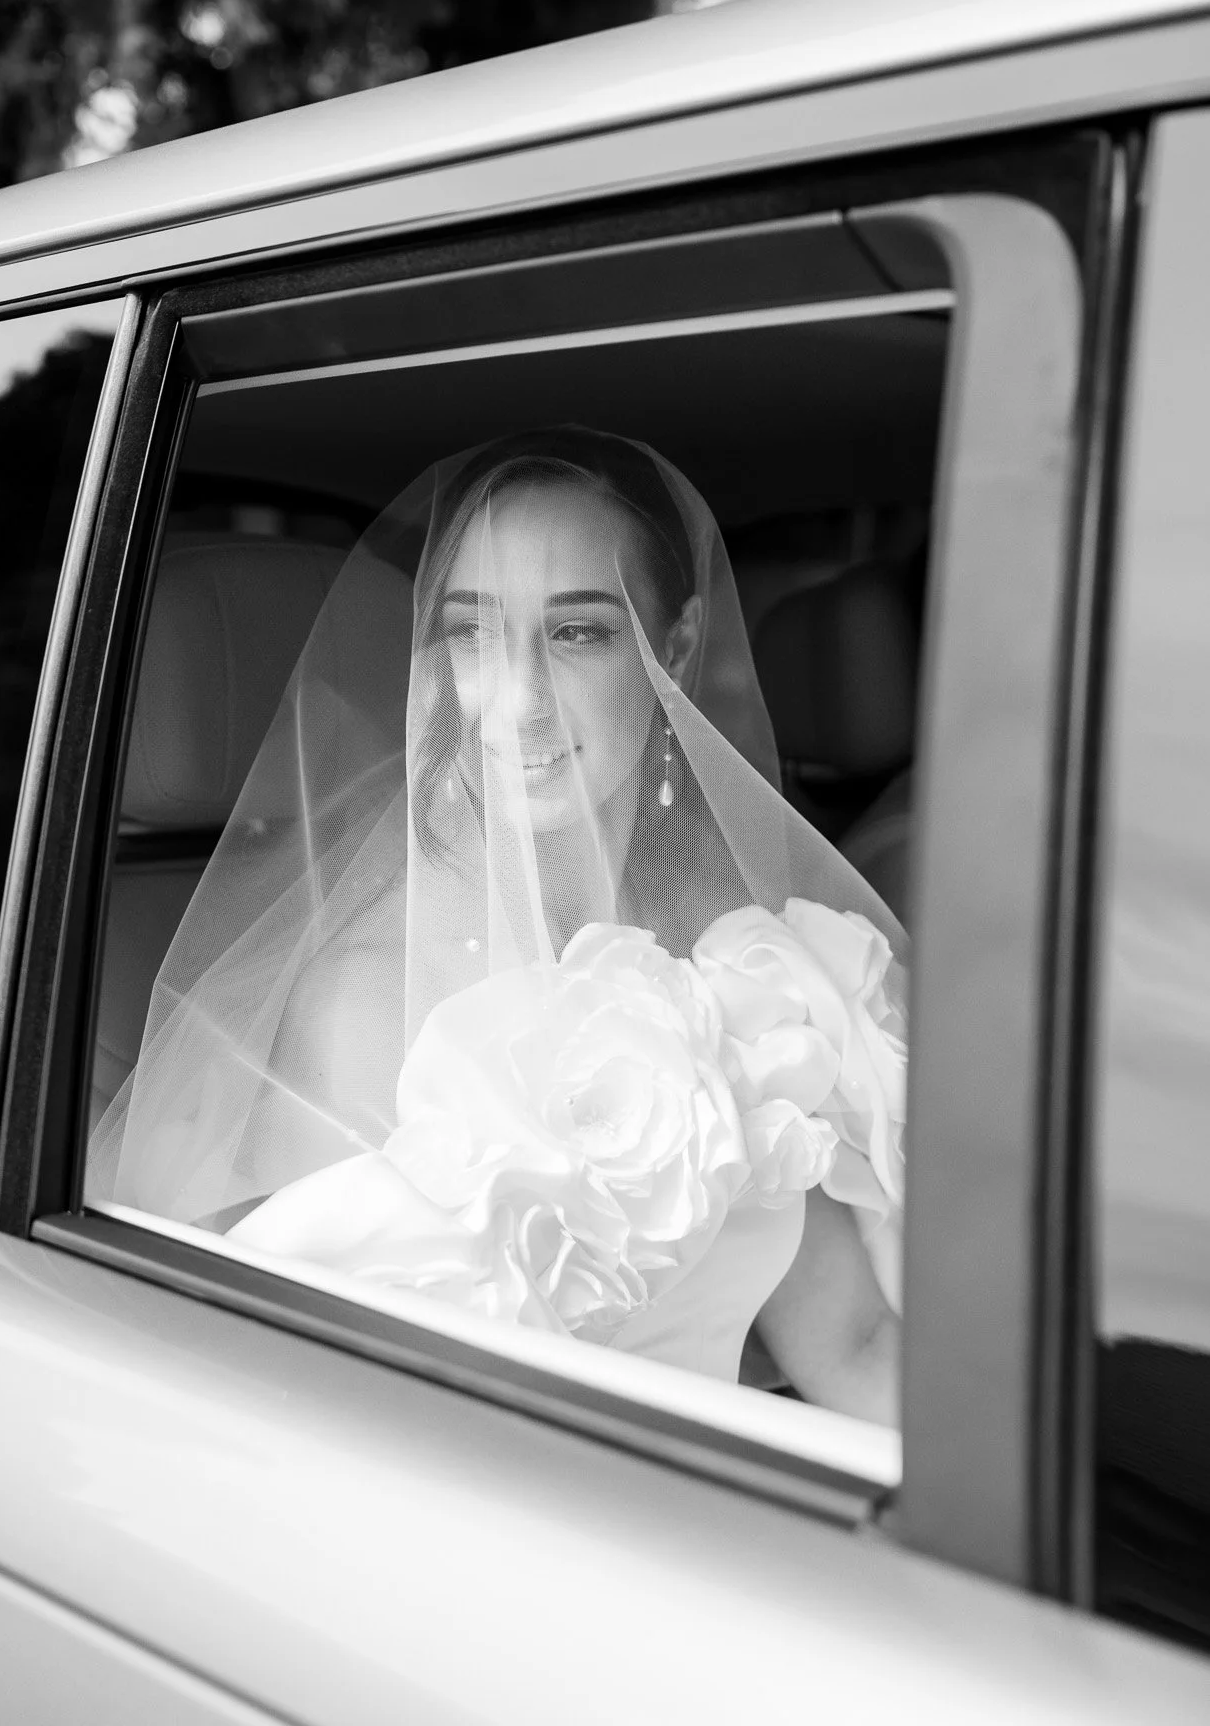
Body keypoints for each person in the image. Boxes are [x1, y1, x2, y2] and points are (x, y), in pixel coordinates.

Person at [90, 429, 907, 1424]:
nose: (517, 700)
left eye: (577, 634)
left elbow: (854, 1343)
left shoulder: (733, 963)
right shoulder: (367, 999)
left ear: (675, 647)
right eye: (471, 632)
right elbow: (327, 1406)